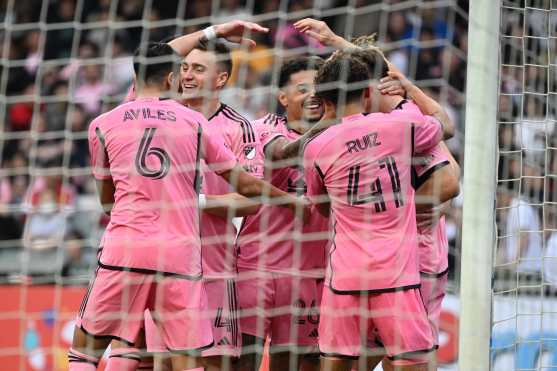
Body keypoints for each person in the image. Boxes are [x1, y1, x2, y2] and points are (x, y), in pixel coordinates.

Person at [68, 41, 306, 371]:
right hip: (180, 257)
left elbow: (107, 200)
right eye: (184, 69)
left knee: (86, 352)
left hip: (133, 250)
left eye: (197, 69)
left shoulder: (103, 123)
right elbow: (247, 185)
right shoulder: (194, 123)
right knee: (184, 361)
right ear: (172, 77)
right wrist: (293, 201)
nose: (188, 76)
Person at [296, 19, 461, 368]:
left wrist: (403, 210)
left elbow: (449, 181)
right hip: (393, 269)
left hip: (410, 259)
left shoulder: (400, 116)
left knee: (365, 359)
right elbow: (445, 126)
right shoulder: (400, 125)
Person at [235, 56, 331, 371]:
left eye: (319, 87)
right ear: (283, 97)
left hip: (309, 272)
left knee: (289, 363)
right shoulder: (260, 129)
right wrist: (331, 122)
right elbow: (282, 154)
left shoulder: (340, 137)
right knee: (244, 361)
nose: (313, 95)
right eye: (303, 89)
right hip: (256, 266)